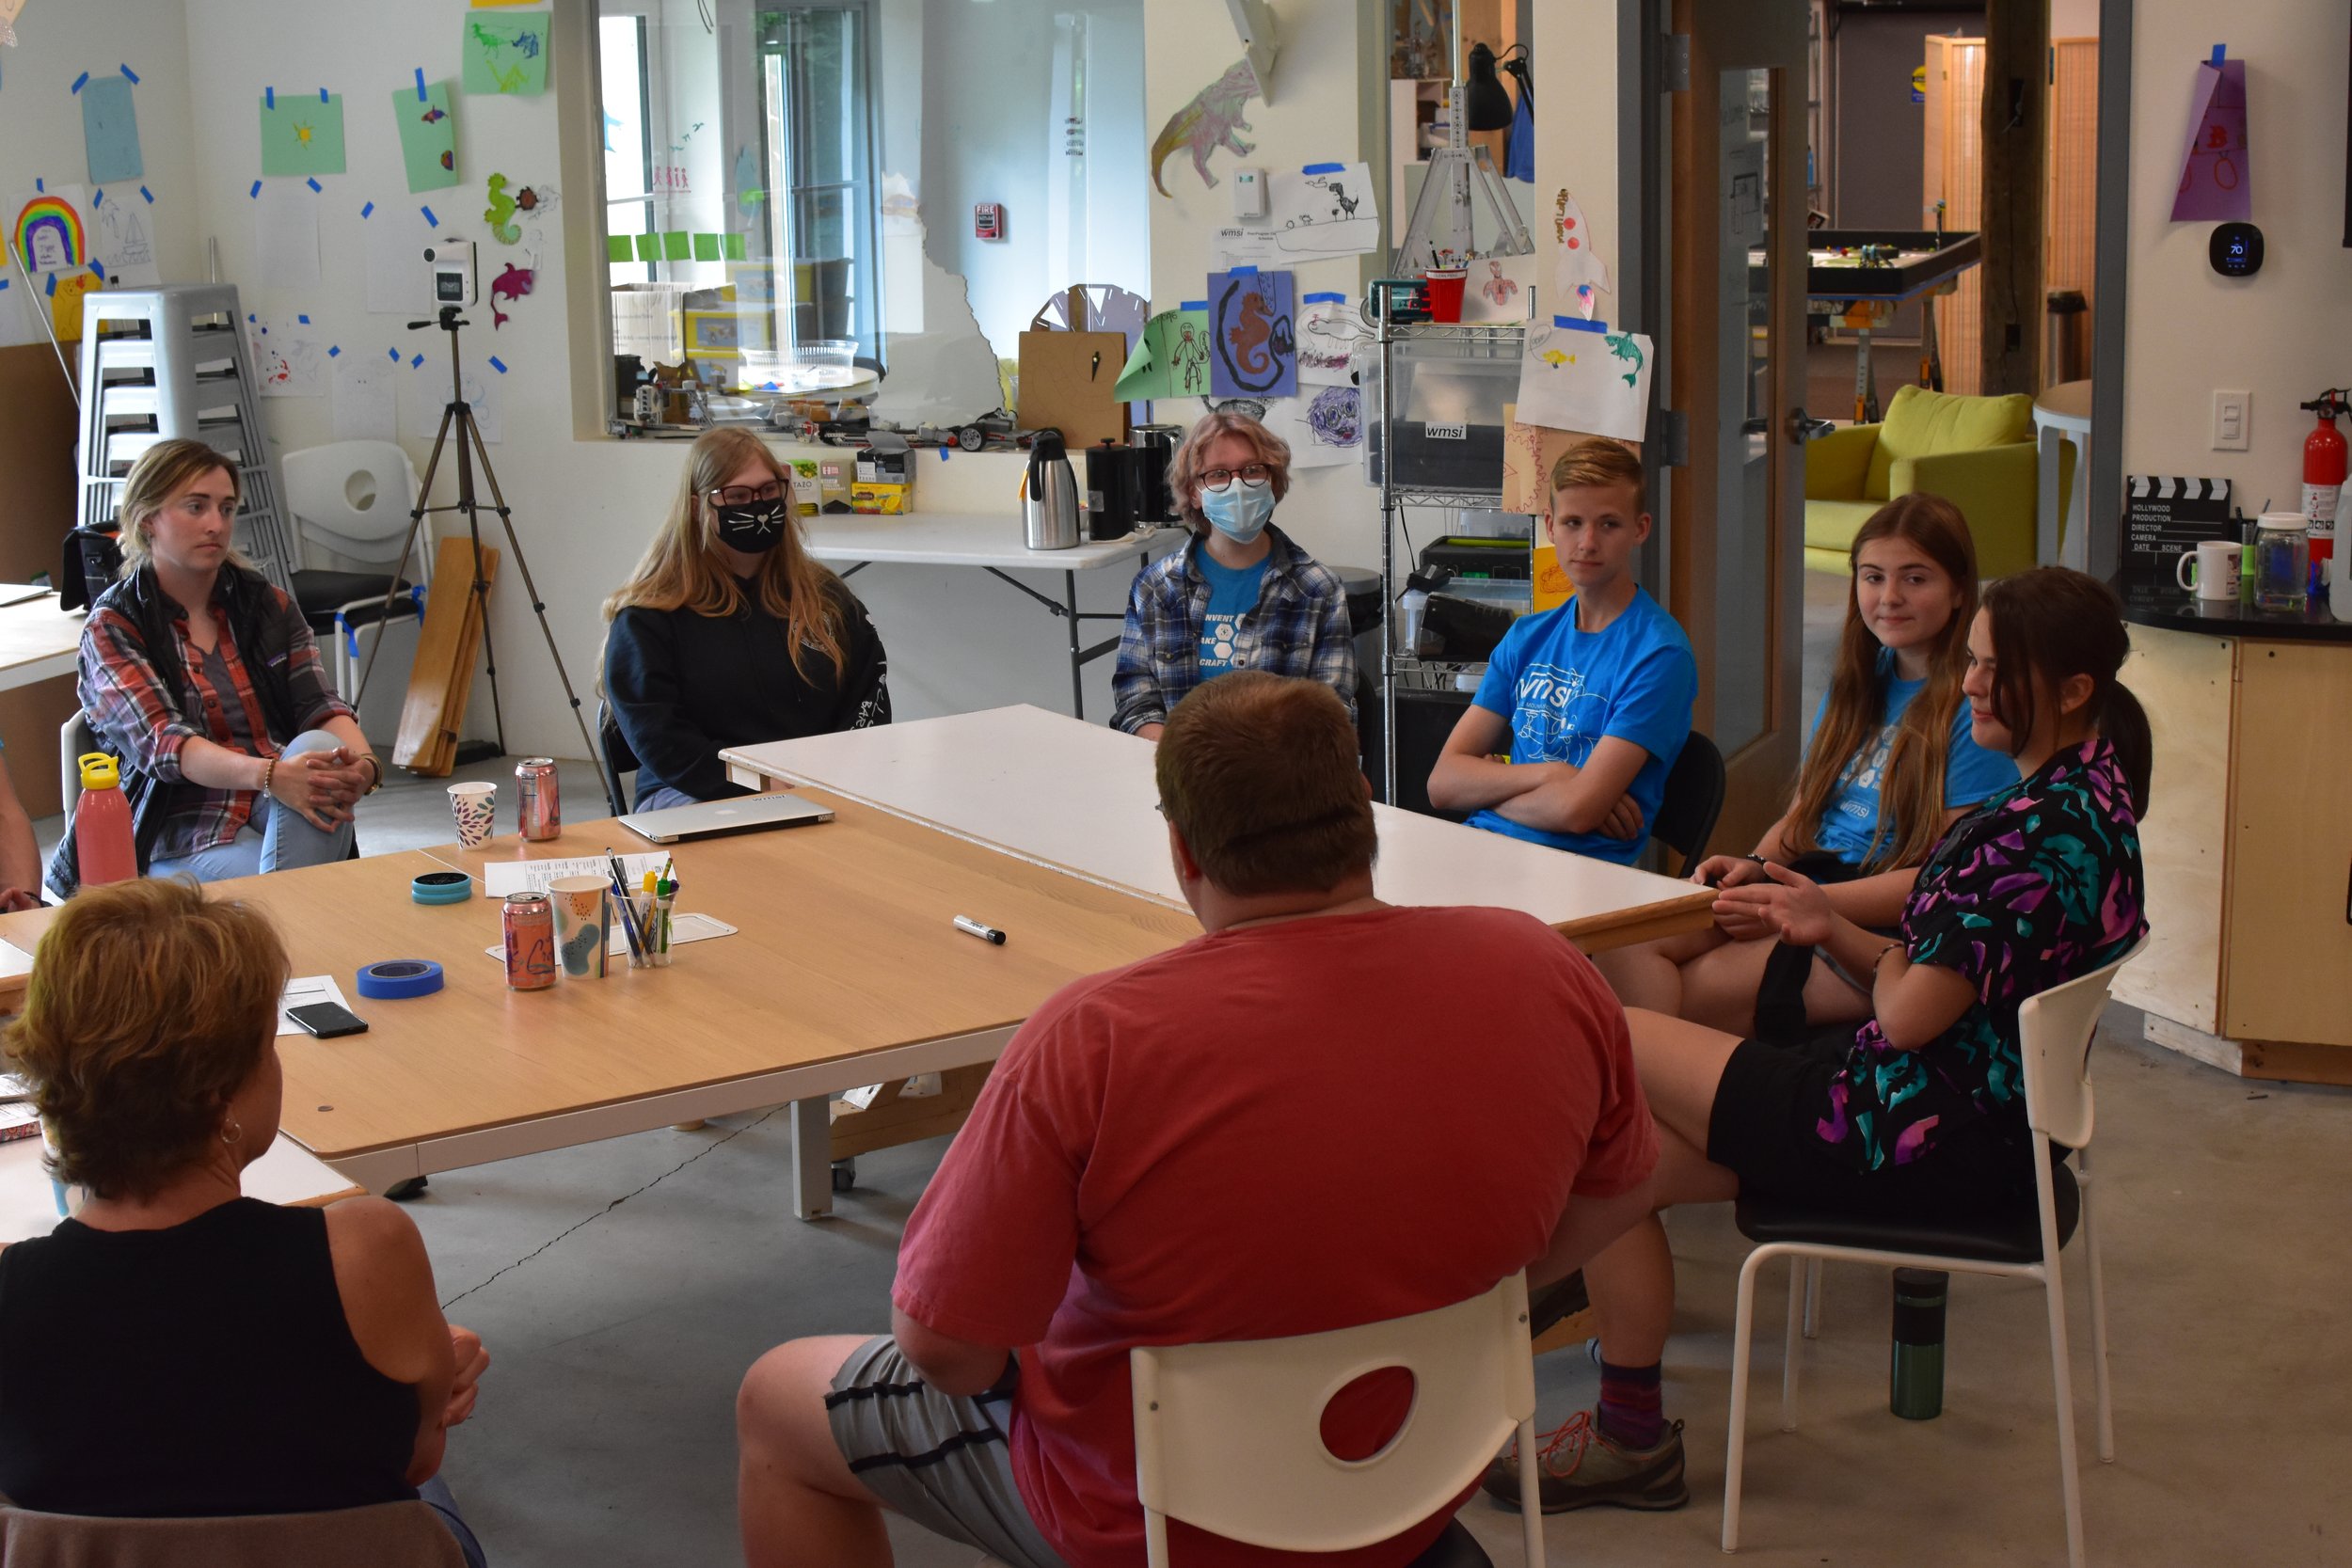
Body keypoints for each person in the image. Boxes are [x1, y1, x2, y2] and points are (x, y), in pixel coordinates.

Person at [737, 672, 1661, 1568]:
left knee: (778, 1398)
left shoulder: (1092, 1036)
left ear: (1182, 848)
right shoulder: (1540, 966)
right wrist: (1467, 1294)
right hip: (1423, 1474)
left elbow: (945, 1348)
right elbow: (1622, 1183)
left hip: (1153, 1518)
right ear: (1365, 806)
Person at [1489, 567, 2148, 1513]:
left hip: (1915, 1127)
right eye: (1970, 662)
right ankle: (1600, 1410)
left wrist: (1839, 936)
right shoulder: (2094, 796)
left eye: (1992, 668)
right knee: (1626, 1150)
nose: (1966, 685)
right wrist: (1827, 921)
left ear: (2074, 688)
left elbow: (1910, 1012)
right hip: (1978, 1117)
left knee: (1616, 1033)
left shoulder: (2030, 834)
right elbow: (1938, 975)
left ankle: (1459, 1323)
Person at [0, 879, 490, 1563]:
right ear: (220, 1092)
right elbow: (409, 1462)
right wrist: (431, 1382)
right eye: (268, 1043)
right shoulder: (367, 1250)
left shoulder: (13, 1293)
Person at [1597, 495, 2017, 1038]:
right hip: (1807, 887)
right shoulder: (1860, 680)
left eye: (1915, 579)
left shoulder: (1973, 707)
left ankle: (1665, 1105)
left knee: (1675, 998)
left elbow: (1939, 880)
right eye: (1872, 577)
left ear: (1960, 589)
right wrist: (1756, 865)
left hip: (1876, 923)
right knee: (1619, 949)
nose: (1889, 597)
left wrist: (1796, 901)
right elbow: (1802, 821)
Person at [49, 439, 374, 897]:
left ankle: (293, 939)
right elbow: (168, 746)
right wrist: (270, 775)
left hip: (273, 798)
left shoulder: (265, 603)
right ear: (148, 521)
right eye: (196, 507)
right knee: (304, 889)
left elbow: (318, 704)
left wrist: (365, 765)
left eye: (225, 508)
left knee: (320, 748)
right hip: (175, 824)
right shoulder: (116, 623)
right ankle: (299, 929)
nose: (215, 524)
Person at [1426, 436, 1695, 865]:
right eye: (1572, 523)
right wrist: (1556, 775)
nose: (1587, 542)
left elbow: (1577, 813)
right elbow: (1443, 784)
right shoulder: (1526, 636)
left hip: (1579, 870)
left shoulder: (1658, 655)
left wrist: (1492, 784)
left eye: (1608, 524)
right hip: (1483, 848)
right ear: (1550, 526)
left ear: (1640, 529)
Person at [603, 426, 889, 810]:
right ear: (697, 506)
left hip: (815, 787)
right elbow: (661, 740)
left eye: (769, 491)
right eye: (736, 495)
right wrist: (764, 784)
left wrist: (824, 780)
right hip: (692, 791)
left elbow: (869, 697)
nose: (756, 505)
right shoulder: (651, 615)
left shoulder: (824, 597)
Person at [1109, 410, 1357, 739]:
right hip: (1178, 776)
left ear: (1273, 480)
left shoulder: (1318, 590)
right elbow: (1136, 703)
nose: (1237, 485)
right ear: (1194, 492)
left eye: (1252, 470)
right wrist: (1189, 763)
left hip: (1279, 779)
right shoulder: (1155, 588)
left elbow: (1333, 713)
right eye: (1218, 474)